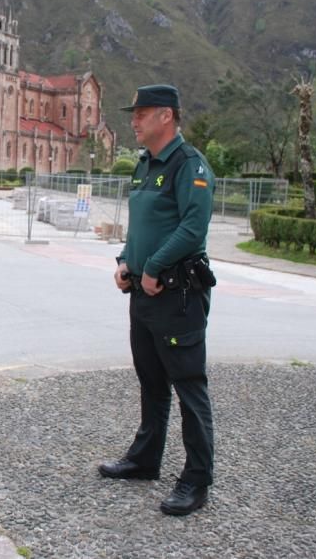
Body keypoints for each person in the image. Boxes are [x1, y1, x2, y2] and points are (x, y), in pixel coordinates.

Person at [100, 84, 217, 516]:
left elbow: (193, 228)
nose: (134, 120)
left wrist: (154, 267)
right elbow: (141, 226)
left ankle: (197, 478)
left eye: (142, 113)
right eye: (135, 113)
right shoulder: (145, 164)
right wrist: (127, 261)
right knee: (151, 381)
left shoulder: (190, 165)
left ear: (167, 116)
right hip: (143, 293)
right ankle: (146, 459)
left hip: (176, 294)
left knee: (189, 387)